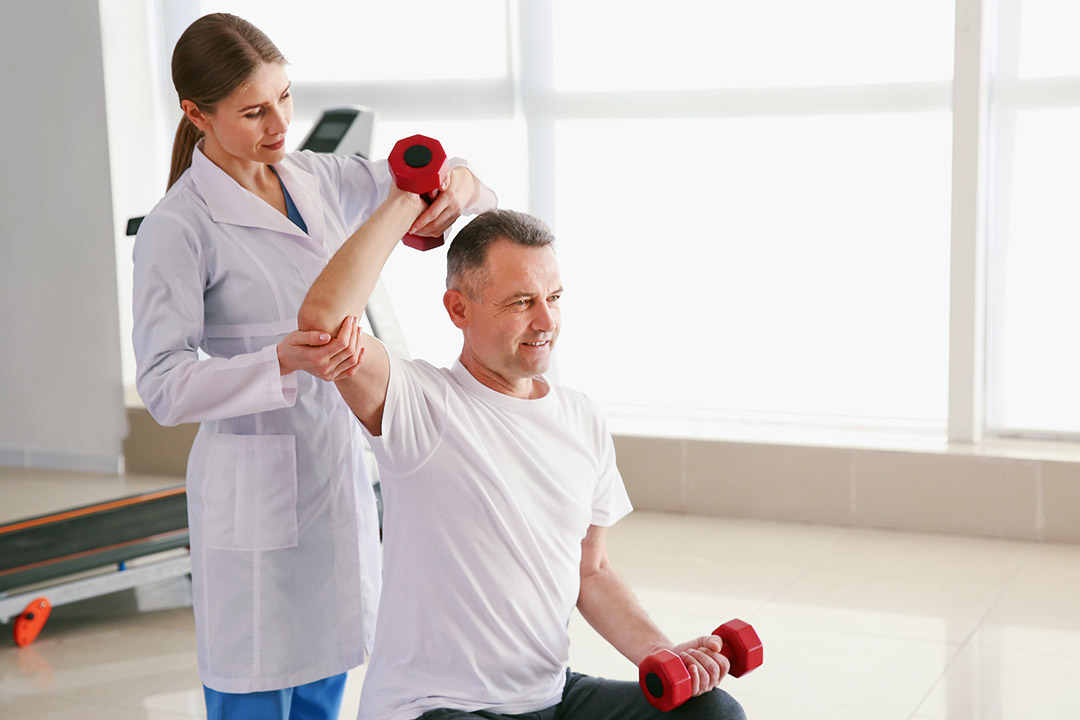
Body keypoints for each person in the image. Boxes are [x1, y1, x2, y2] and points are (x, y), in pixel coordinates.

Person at [131, 13, 496, 720]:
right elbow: (164, 385)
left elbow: (446, 187)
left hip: (333, 470)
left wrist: (463, 182)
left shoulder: (318, 177)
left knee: (327, 683)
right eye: (254, 110)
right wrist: (275, 362)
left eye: (286, 98)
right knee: (256, 694)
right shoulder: (179, 226)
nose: (280, 125)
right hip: (253, 487)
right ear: (195, 113)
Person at [296, 208, 747, 720]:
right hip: (437, 708)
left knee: (713, 713)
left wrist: (663, 655)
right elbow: (323, 320)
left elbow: (591, 569)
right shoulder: (418, 403)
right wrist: (405, 201)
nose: (546, 321)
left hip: (552, 697)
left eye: (554, 298)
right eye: (521, 302)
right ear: (458, 309)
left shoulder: (581, 418)